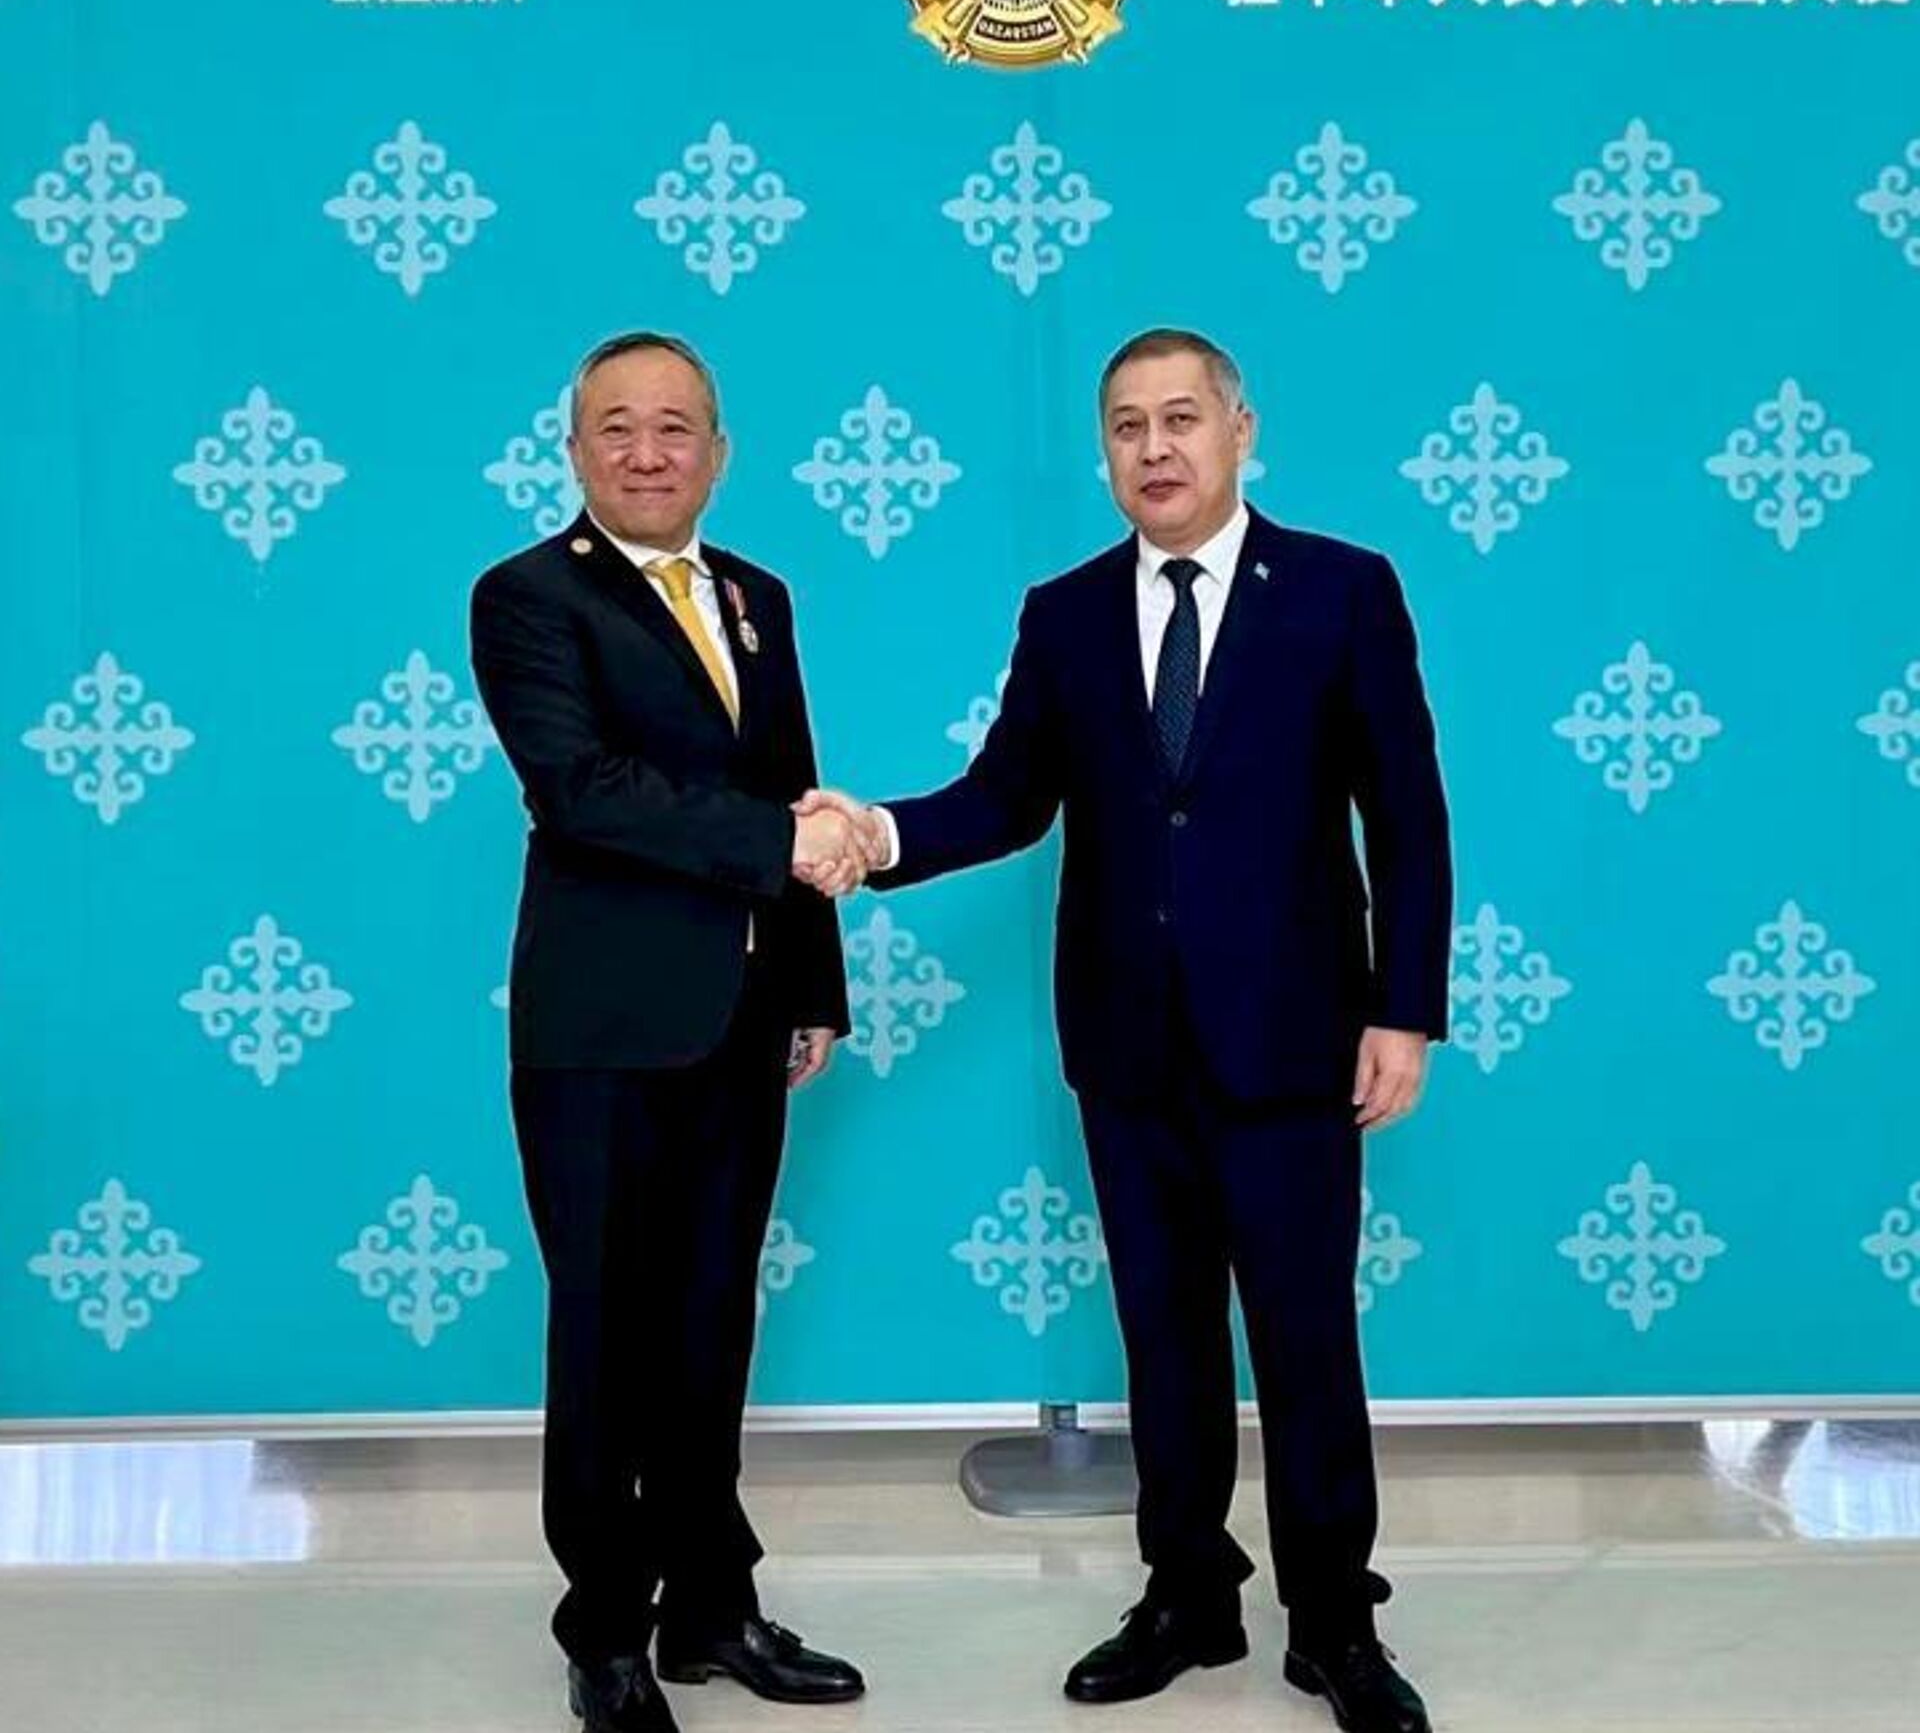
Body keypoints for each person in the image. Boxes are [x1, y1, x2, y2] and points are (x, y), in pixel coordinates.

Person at [801, 328, 1452, 1733]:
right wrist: (877, 833)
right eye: (1126, 426)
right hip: (1127, 1046)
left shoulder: (1342, 590)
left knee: (1305, 1345)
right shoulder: (1068, 613)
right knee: (1163, 1340)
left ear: (1239, 431)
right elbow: (1005, 796)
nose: (1155, 448)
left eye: (1181, 419)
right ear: (1103, 453)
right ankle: (1188, 1594)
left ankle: (1334, 1622)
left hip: (1292, 1041)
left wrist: (1403, 1009)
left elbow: (1406, 815)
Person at [470, 331, 871, 1733]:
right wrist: (782, 842)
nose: (649, 453)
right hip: (600, 1030)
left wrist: (812, 985)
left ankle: (711, 1604)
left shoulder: (758, 596)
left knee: (711, 1321)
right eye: (618, 428)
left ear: (720, 450)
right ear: (575, 449)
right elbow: (581, 789)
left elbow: (789, 780)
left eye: (677, 427)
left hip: (740, 1020)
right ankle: (606, 1633)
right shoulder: (527, 597)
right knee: (606, 1334)